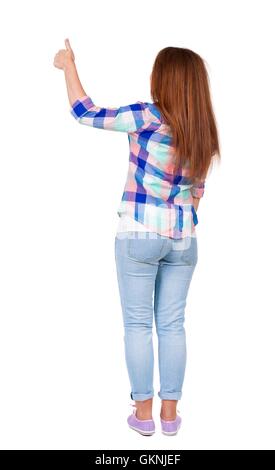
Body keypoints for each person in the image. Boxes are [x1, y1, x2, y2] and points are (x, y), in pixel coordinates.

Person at [53, 40, 220, 436]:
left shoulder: (147, 115)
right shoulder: (204, 130)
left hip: (139, 232)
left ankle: (143, 415)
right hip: (184, 239)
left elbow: (85, 112)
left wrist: (68, 66)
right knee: (173, 325)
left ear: (163, 79)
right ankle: (170, 416)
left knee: (138, 325)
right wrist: (180, 220)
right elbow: (197, 193)